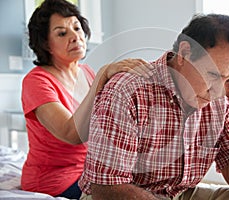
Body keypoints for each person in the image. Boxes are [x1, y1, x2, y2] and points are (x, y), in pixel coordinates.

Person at [79, 14, 229, 200]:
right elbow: (106, 188)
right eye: (213, 75)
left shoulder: (221, 101)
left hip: (181, 192)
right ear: (185, 53)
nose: (218, 92)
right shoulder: (127, 89)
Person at [20, 0, 153, 199]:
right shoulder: (36, 81)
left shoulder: (86, 72)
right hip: (56, 180)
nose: (75, 37)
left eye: (77, 27)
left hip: (92, 170)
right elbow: (72, 134)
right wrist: (103, 76)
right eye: (62, 33)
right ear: (45, 43)